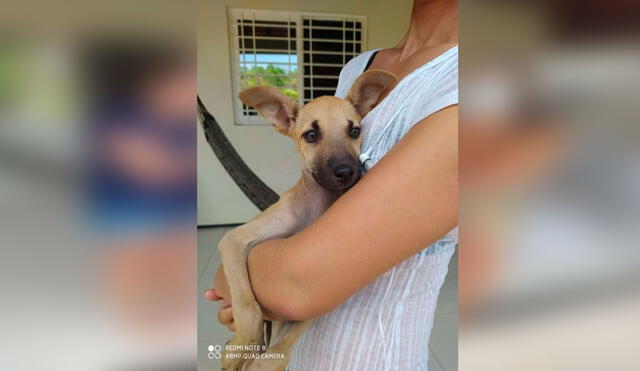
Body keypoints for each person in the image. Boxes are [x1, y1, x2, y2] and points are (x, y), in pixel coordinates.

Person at [205, 0, 458, 369]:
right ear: (283, 122)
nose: (341, 159)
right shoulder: (360, 65)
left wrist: (256, 286)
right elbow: (242, 265)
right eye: (313, 136)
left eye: (353, 133)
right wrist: (255, 311)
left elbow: (300, 286)